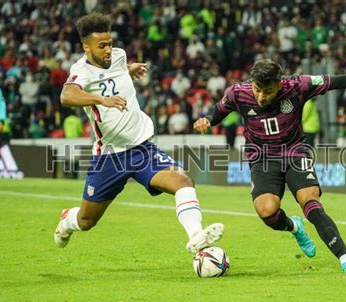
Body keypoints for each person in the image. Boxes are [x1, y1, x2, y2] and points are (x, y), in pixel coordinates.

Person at [194, 59, 346, 275]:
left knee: (310, 200)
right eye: (257, 89)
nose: (261, 96)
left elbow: (337, 81)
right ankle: (295, 227)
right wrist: (207, 119)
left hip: (295, 152)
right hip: (263, 158)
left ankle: (345, 258)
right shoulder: (237, 92)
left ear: (279, 84)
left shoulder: (298, 86)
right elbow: (218, 110)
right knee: (267, 211)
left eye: (267, 91)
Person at [54, 13, 224, 255]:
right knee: (86, 221)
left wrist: (129, 69)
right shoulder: (81, 71)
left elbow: (116, 70)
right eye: (101, 46)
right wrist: (102, 99)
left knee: (183, 181)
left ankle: (196, 237)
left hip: (142, 148)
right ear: (86, 47)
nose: (108, 50)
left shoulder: (119, 56)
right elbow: (67, 96)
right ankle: (66, 220)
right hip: (110, 156)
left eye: (110, 44)